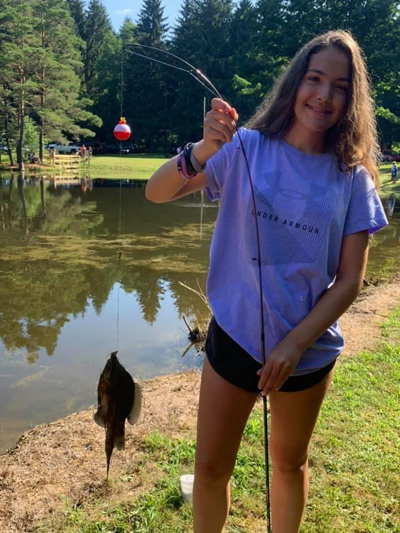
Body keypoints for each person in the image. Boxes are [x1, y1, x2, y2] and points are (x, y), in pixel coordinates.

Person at [145, 30, 388, 533]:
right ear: (295, 83)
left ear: (352, 100)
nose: (324, 95)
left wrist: (294, 346)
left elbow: (350, 280)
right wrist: (203, 149)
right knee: (211, 470)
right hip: (234, 335)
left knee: (289, 465)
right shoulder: (245, 148)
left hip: (306, 351)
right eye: (315, 79)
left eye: (340, 87)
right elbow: (157, 193)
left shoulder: (353, 179)